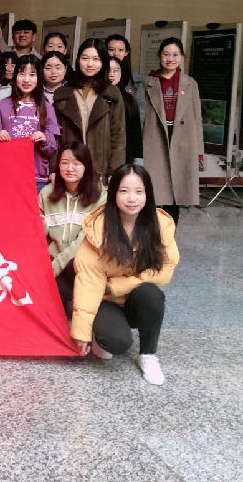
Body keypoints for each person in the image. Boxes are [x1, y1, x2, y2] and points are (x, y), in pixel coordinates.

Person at [70, 164, 179, 386]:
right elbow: (89, 281)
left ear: (147, 194)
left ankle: (148, 355)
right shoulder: (99, 227)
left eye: (139, 191)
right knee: (116, 343)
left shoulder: (160, 225)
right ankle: (100, 333)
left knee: (151, 293)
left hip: (134, 298)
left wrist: (118, 286)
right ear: (113, 193)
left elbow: (165, 269)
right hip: (106, 300)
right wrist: (81, 330)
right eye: (124, 191)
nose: (132, 198)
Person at [38, 142, 107, 315]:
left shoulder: (100, 195)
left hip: (83, 263)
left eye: (76, 163)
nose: (70, 168)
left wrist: (53, 268)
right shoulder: (46, 193)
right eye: (64, 163)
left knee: (67, 273)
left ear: (86, 166)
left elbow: (84, 240)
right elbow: (37, 235)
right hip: (53, 263)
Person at [143, 37, 203, 225]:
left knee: (176, 193)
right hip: (156, 139)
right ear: (159, 55)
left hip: (182, 140)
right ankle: (153, 234)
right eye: (166, 54)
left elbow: (197, 118)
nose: (170, 59)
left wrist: (199, 150)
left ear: (182, 56)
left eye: (175, 55)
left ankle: (169, 235)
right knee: (155, 191)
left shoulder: (190, 83)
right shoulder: (148, 82)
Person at [53, 39, 125, 183]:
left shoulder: (112, 94)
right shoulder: (63, 93)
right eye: (85, 58)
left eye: (96, 59)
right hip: (69, 167)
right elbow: (55, 136)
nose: (90, 64)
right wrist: (53, 168)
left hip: (99, 167)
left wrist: (114, 170)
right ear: (78, 60)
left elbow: (118, 135)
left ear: (103, 62)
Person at [0, 55, 59, 191]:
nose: (26, 80)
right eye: (22, 74)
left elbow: (52, 146)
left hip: (36, 177)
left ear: (39, 78)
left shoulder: (47, 108)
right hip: (6, 174)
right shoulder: (2, 105)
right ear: (15, 77)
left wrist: (44, 138)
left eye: (32, 75)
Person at [108, 56, 143, 166]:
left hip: (124, 156)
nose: (111, 74)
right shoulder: (95, 96)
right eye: (108, 70)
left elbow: (136, 134)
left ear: (121, 73)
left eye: (116, 70)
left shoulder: (129, 100)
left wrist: (138, 160)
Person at [106, 33, 146, 119]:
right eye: (111, 50)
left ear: (126, 52)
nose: (116, 53)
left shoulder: (135, 80)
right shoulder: (98, 75)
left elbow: (141, 111)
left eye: (120, 50)